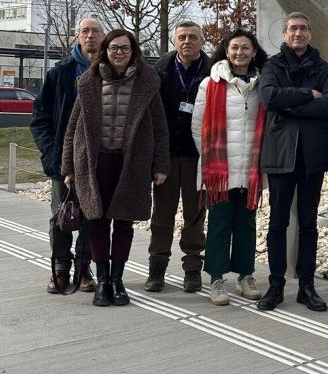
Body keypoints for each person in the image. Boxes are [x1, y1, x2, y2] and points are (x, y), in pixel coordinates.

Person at [62, 29, 169, 307]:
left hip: (131, 162)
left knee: (124, 222)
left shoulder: (148, 83)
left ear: (134, 51)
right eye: (113, 48)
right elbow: (72, 128)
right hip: (95, 162)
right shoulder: (88, 82)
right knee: (96, 222)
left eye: (124, 48)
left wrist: (160, 165)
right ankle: (103, 280)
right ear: (105, 52)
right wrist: (68, 168)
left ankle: (118, 280)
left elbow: (160, 127)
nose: (119, 53)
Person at [257, 12, 328, 312]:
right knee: (278, 222)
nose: (299, 33)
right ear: (284, 34)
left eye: (304, 28)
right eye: (293, 28)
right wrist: (307, 95)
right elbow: (269, 99)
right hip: (281, 153)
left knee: (308, 222)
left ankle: (307, 285)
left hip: (312, 155)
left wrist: (290, 106)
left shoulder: (324, 67)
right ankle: (276, 283)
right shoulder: (272, 65)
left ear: (310, 33)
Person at [191, 29, 268, 305]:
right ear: (226, 51)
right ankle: (216, 279)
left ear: (254, 51)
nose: (240, 53)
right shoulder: (210, 84)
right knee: (220, 224)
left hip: (251, 167)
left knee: (247, 224)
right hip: (219, 170)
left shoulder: (264, 83)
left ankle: (245, 276)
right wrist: (211, 161)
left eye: (245, 48)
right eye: (234, 48)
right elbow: (198, 127)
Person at [31, 16, 105, 295]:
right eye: (85, 31)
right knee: (61, 215)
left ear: (103, 36)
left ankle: (84, 270)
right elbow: (39, 118)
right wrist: (52, 153)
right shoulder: (60, 73)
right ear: (77, 37)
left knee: (92, 215)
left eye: (96, 31)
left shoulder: (111, 70)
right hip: (64, 159)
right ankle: (60, 268)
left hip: (99, 157)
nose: (90, 36)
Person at [146, 22, 211, 293]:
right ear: (175, 41)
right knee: (162, 215)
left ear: (202, 41)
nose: (187, 41)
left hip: (199, 156)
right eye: (182, 37)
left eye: (193, 37)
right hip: (167, 155)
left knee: (195, 216)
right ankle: (157, 268)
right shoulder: (158, 71)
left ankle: (192, 269)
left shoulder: (214, 71)